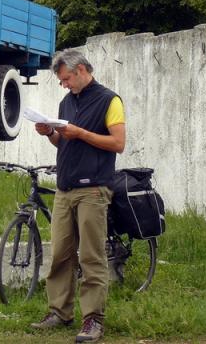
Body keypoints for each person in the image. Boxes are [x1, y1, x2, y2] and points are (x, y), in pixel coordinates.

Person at [31, 49, 125, 343]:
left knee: (91, 255)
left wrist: (81, 133)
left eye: (67, 79)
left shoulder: (110, 100)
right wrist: (50, 133)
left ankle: (93, 319)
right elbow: (63, 142)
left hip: (93, 189)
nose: (64, 85)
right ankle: (60, 312)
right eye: (61, 81)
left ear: (82, 70)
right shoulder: (66, 102)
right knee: (60, 253)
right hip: (65, 189)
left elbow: (118, 143)